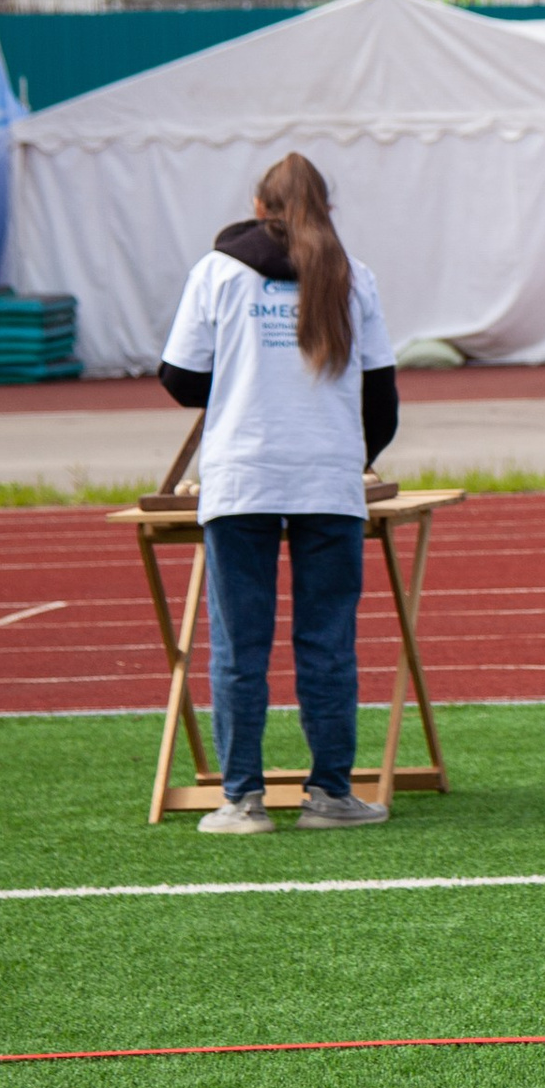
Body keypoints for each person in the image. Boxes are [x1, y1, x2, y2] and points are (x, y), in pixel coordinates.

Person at [157, 150, 398, 836]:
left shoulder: (217, 271)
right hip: (328, 476)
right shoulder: (354, 278)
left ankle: (242, 800)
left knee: (240, 643)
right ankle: (330, 796)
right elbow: (381, 397)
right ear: (326, 208)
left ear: (259, 207)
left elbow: (177, 378)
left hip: (240, 475)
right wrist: (362, 458)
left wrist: (239, 386)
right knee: (327, 641)